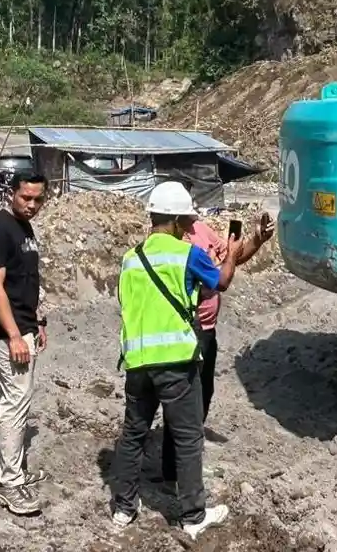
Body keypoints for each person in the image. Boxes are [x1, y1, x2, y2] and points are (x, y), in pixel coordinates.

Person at [108, 181, 240, 539]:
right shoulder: (187, 253)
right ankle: (193, 516)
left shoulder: (131, 257)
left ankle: (123, 507)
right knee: (187, 438)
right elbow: (221, 282)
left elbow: (128, 304)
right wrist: (231, 252)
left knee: (133, 434)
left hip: (137, 361)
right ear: (181, 218)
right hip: (176, 363)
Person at [158, 209, 275, 482]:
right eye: (187, 209)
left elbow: (230, 259)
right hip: (188, 330)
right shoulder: (174, 243)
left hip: (207, 331)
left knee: (202, 396)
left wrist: (256, 240)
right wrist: (230, 256)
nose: (193, 213)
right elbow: (221, 279)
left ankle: (186, 461)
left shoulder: (200, 229)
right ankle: (174, 472)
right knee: (183, 402)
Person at [0, 169, 50, 516]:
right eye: (26, 197)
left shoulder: (24, 228)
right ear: (12, 194)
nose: (32, 204)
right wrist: (14, 336)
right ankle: (9, 482)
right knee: (16, 402)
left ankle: (8, 470)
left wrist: (37, 322)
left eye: (38, 199)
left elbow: (26, 281)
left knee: (5, 398)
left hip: (23, 325)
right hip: (8, 331)